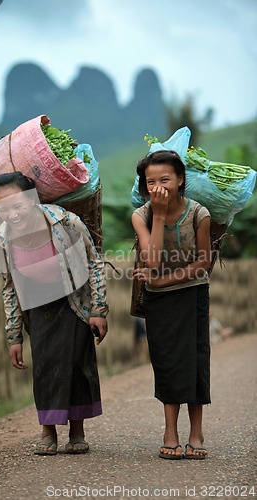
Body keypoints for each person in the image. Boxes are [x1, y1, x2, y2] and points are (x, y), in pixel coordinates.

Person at [0, 171, 108, 455]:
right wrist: (13, 336)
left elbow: (93, 263)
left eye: (18, 204)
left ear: (32, 198)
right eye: (3, 208)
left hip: (74, 300)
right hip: (38, 304)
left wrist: (99, 309)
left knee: (78, 363)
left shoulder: (64, 221)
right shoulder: (2, 239)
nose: (12, 213)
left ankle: (77, 432)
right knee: (44, 367)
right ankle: (48, 431)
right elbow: (9, 287)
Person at [132, 150, 211, 460]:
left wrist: (164, 281)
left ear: (180, 180)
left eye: (165, 179)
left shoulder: (199, 214)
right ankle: (170, 432)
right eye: (150, 182)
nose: (157, 187)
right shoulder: (142, 215)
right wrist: (160, 214)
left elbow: (203, 262)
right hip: (159, 302)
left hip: (192, 293)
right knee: (167, 361)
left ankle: (196, 432)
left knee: (194, 359)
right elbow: (151, 260)